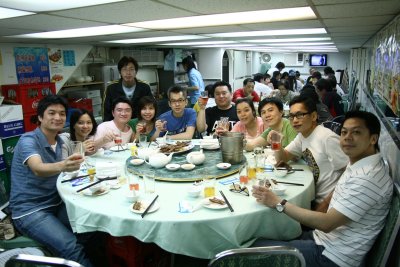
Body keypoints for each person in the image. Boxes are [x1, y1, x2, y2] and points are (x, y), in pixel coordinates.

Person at [252, 110, 393, 267]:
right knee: (260, 233)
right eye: (344, 132)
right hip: (324, 239)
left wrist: (278, 202)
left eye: (357, 132)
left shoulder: (368, 177)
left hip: (331, 256)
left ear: (373, 138)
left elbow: (327, 223)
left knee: (250, 248)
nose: (347, 137)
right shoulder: (361, 163)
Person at [9, 95, 92, 266]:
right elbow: (38, 168)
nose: (58, 117)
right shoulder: (28, 140)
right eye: (52, 113)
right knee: (72, 247)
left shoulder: (61, 140)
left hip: (56, 203)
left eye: (62, 114)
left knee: (93, 225)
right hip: (30, 210)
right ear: (40, 117)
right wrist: (64, 165)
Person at [273, 95, 348, 207]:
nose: (294, 120)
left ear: (313, 116)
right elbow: (282, 159)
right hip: (312, 196)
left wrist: (325, 205)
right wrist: (277, 143)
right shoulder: (302, 136)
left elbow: (349, 174)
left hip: (329, 203)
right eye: (291, 116)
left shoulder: (327, 138)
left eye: (299, 115)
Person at [102, 56, 153, 121]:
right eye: (124, 69)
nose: (128, 73)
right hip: (118, 126)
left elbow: (151, 107)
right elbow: (106, 112)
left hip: (140, 125)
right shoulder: (111, 88)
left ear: (136, 72)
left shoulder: (144, 87)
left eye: (131, 69)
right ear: (120, 72)